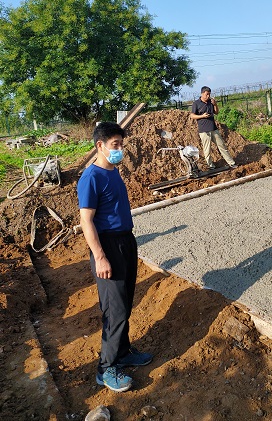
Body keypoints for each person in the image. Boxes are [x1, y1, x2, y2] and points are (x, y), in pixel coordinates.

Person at [77, 122, 153, 392]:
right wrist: (100, 256)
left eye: (121, 144)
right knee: (114, 309)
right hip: (107, 246)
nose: (120, 149)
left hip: (125, 242)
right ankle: (106, 367)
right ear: (100, 146)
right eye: (115, 145)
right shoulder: (91, 177)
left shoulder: (113, 172)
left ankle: (122, 352)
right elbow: (87, 221)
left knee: (125, 302)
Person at [190, 86, 238, 170]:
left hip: (213, 128)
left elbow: (216, 112)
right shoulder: (196, 103)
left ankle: (231, 163)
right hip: (204, 131)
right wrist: (202, 116)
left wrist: (215, 104)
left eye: (209, 94)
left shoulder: (211, 102)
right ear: (202, 94)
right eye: (206, 94)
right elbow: (192, 115)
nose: (208, 96)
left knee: (222, 146)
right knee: (207, 150)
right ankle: (211, 166)